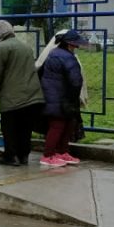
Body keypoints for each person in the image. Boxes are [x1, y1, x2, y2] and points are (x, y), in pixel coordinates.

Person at [0, 20, 45, 167]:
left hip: (12, 96)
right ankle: (24, 155)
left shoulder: (1, 48)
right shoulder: (26, 47)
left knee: (9, 128)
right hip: (33, 94)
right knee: (25, 128)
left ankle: (11, 156)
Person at [38, 29, 87, 167]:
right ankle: (48, 155)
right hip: (61, 97)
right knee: (58, 125)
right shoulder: (67, 57)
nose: (76, 47)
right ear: (70, 44)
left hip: (55, 96)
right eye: (75, 45)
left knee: (65, 124)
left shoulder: (54, 53)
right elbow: (76, 80)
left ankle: (61, 152)